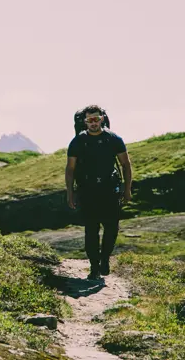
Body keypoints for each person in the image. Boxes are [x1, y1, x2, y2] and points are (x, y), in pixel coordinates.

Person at [64, 104, 132, 280]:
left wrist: (127, 189)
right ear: (85, 122)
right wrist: (70, 194)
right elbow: (70, 169)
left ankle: (105, 259)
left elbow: (125, 164)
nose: (93, 123)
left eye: (96, 119)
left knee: (111, 228)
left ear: (102, 118)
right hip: (88, 191)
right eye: (89, 120)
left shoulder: (114, 139)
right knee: (91, 230)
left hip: (110, 190)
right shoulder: (78, 142)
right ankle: (94, 267)